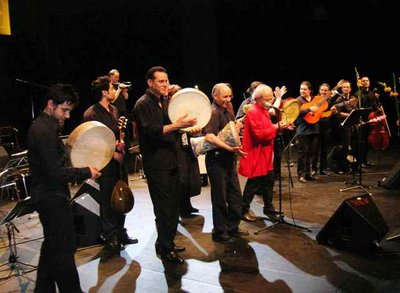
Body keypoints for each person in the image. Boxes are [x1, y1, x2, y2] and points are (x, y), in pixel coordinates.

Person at [27, 83, 102, 293]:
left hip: (48, 196)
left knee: (52, 247)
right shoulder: (44, 131)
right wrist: (86, 171)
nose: (67, 116)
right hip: (51, 198)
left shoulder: (43, 127)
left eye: (69, 111)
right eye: (64, 110)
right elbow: (55, 173)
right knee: (64, 250)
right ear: (51, 104)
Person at [133, 66, 197, 264]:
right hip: (158, 165)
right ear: (150, 83)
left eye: (167, 81)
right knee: (164, 208)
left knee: (173, 207)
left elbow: (171, 130)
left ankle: (165, 242)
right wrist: (177, 125)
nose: (165, 85)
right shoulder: (143, 104)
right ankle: (165, 247)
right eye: (161, 81)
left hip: (171, 161)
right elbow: (152, 131)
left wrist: (189, 128)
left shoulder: (163, 102)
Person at [83, 75, 137, 258]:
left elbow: (117, 135)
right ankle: (110, 236)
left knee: (121, 197)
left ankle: (121, 232)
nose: (115, 91)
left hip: (118, 163)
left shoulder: (114, 110)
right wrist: (111, 153)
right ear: (104, 92)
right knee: (107, 201)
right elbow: (91, 143)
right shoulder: (91, 114)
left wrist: (121, 145)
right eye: (113, 89)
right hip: (105, 164)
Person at [239, 84, 293, 222]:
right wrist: (277, 127)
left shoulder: (263, 110)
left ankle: (268, 208)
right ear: (258, 98)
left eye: (271, 98)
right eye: (268, 98)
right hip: (257, 152)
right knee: (254, 182)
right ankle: (243, 209)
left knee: (269, 181)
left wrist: (282, 127)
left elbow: (269, 129)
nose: (270, 101)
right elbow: (259, 135)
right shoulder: (253, 112)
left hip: (266, 153)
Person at [202, 82, 248, 244]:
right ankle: (220, 232)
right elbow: (209, 136)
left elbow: (229, 129)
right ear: (215, 96)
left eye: (230, 96)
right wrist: (230, 148)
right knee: (220, 198)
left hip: (228, 159)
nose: (228, 99)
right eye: (225, 96)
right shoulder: (212, 112)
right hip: (216, 160)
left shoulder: (228, 108)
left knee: (235, 195)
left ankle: (232, 227)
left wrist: (239, 125)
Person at [168, 84, 201, 217]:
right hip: (176, 147)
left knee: (190, 176)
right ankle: (180, 208)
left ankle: (187, 205)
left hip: (187, 146)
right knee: (181, 178)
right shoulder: (169, 111)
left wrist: (195, 130)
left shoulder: (184, 110)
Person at [295, 81, 319, 183]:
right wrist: (309, 109)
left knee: (310, 153)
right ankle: (301, 174)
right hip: (303, 130)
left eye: (304, 89)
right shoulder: (298, 100)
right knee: (303, 154)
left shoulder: (315, 99)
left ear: (310, 90)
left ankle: (308, 174)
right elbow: (296, 112)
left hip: (314, 129)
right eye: (301, 89)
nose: (302, 91)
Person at [354, 75, 379, 168]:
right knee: (361, 141)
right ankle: (360, 161)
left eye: (367, 80)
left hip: (371, 120)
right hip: (362, 121)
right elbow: (356, 108)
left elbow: (375, 107)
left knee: (367, 141)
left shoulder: (372, 94)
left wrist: (377, 102)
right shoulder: (358, 94)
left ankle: (365, 160)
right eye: (363, 80)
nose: (366, 82)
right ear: (360, 83)